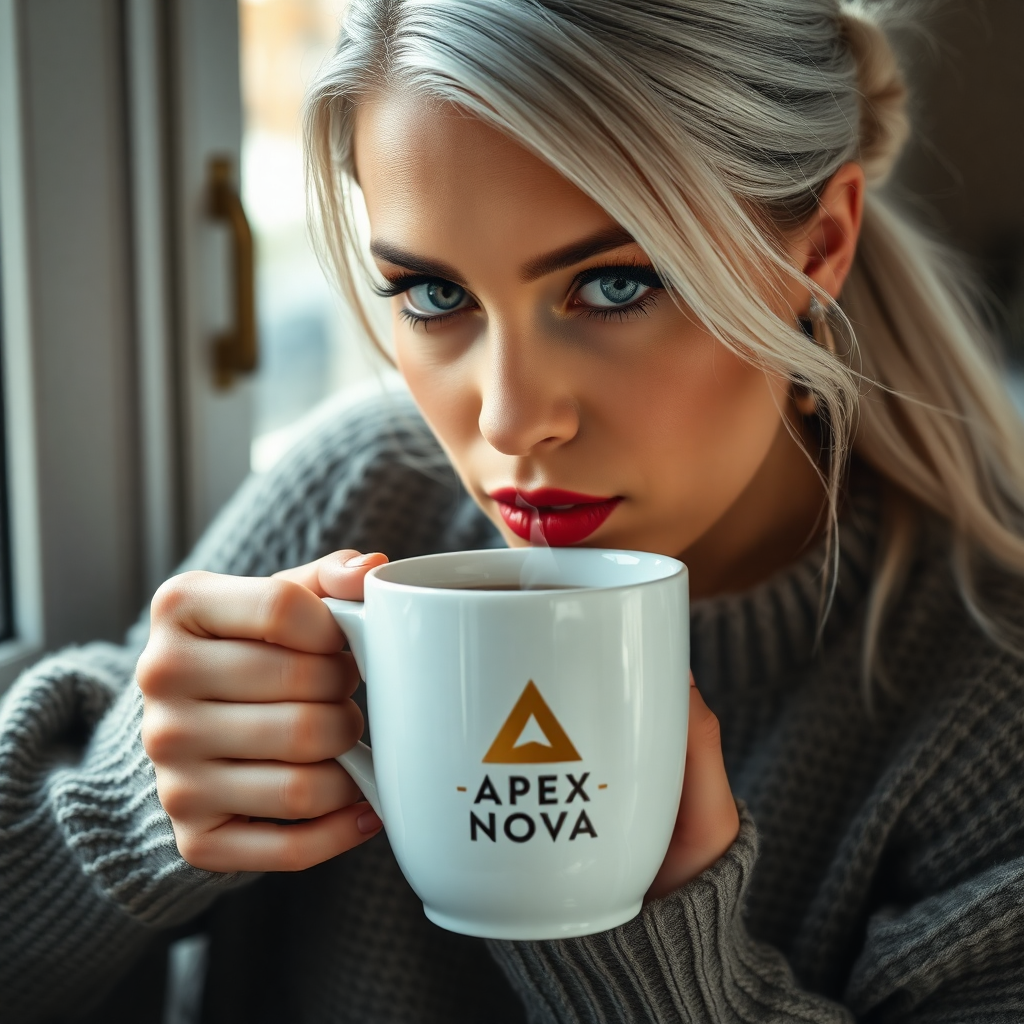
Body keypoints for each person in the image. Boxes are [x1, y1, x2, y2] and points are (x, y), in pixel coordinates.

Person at [3, 0, 1024, 1020]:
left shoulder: (989, 699)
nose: (510, 420)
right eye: (434, 295)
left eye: (616, 283)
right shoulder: (360, 494)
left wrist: (642, 950)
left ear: (819, 249)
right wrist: (120, 816)